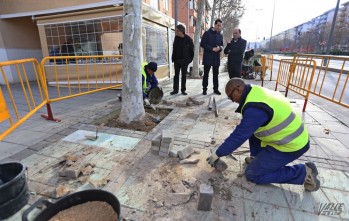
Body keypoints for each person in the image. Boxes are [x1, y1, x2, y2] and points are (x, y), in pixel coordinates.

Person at [207, 78, 320, 192]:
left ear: (238, 89)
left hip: (292, 144)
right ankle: (257, 159)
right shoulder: (254, 91)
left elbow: (239, 135)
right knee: (253, 131)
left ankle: (304, 173)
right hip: (290, 135)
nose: (232, 100)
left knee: (252, 174)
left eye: (230, 97)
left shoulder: (255, 109)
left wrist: (218, 153)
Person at [200, 19, 224, 95]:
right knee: (206, 74)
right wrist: (212, 48)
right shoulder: (207, 33)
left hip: (216, 58)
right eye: (218, 25)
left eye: (220, 26)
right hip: (208, 57)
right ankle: (204, 89)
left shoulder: (220, 35)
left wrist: (219, 48)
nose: (220, 27)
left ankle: (216, 89)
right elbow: (202, 44)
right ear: (215, 24)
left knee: (216, 75)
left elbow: (222, 46)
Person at [170, 24, 194, 96]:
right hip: (177, 60)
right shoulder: (176, 38)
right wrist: (173, 58)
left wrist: (189, 60)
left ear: (181, 31)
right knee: (176, 75)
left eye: (177, 30)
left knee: (183, 75)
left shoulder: (189, 39)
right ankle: (175, 90)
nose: (176, 32)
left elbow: (192, 51)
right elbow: (174, 49)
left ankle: (183, 90)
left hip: (184, 61)